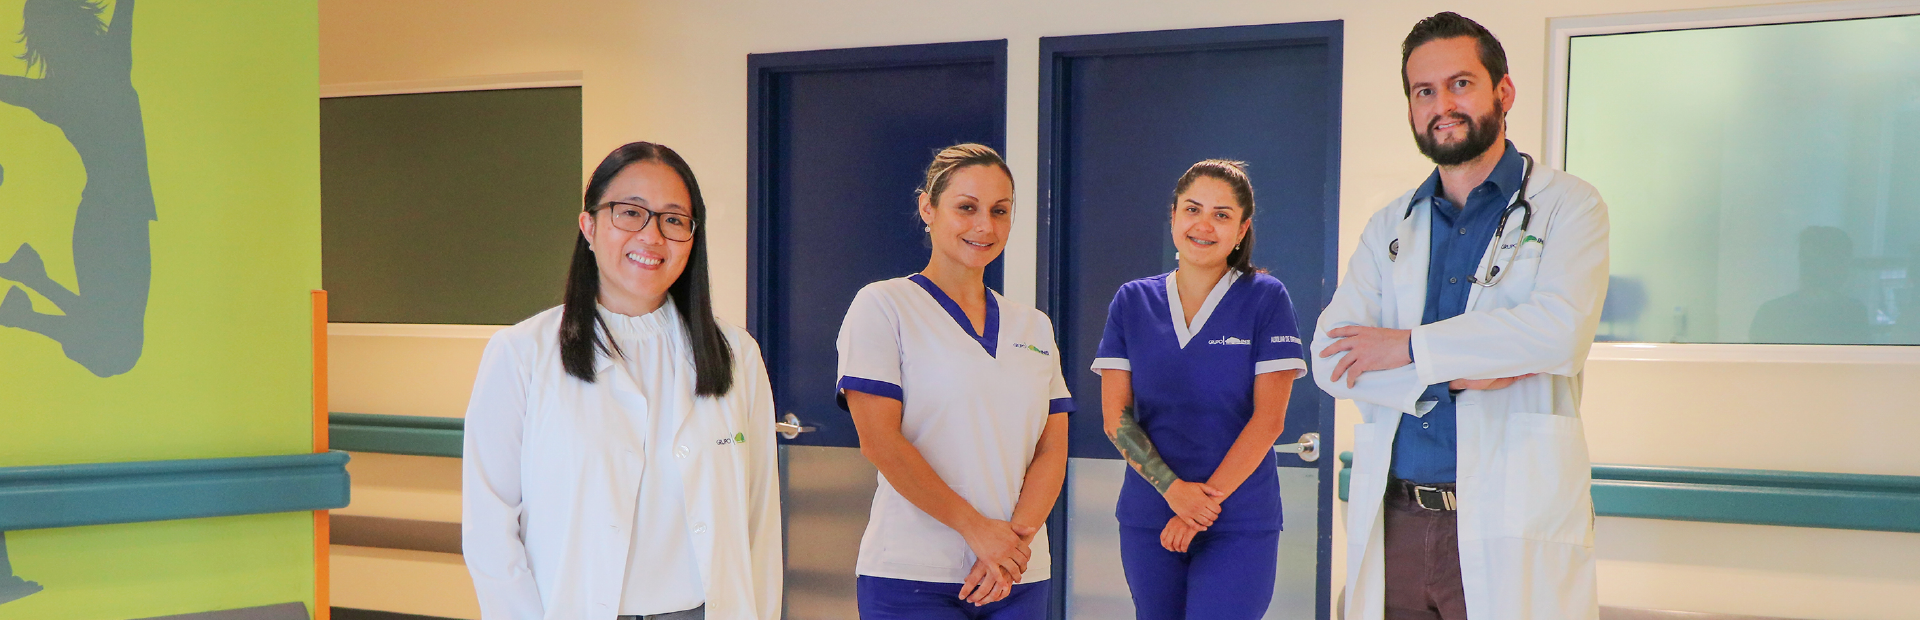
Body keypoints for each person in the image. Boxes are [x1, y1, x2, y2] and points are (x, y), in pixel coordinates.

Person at [1310, 13, 1610, 620]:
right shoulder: (1389, 226)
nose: (1441, 104)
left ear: (1504, 91)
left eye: (1460, 84)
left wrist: (1406, 348)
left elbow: (1557, 331)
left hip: (1508, 512)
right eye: (1424, 91)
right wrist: (1453, 369)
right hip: (1397, 516)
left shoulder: (1568, 207)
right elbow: (1328, 358)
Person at [463, 142, 781, 620]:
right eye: (630, 213)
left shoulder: (737, 356)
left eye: (674, 220)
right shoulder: (521, 354)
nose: (652, 236)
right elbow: (490, 530)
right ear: (588, 226)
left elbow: (759, 520)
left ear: (692, 238)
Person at [836, 143, 1072, 620]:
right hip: (912, 575)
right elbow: (880, 441)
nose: (984, 225)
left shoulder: (1034, 326)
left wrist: (1012, 545)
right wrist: (977, 531)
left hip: (1017, 575)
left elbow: (1051, 448)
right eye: (966, 207)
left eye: (999, 211)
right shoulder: (883, 306)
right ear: (928, 207)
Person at [1090, 160, 1304, 620]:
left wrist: (1197, 508)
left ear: (1242, 229)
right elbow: (1116, 418)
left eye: (1222, 215)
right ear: (1173, 216)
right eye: (1192, 209)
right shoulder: (1132, 302)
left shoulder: (1266, 299)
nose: (1204, 225)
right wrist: (1174, 494)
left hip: (1239, 520)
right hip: (1150, 517)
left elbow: (1269, 421)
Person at [0, 0, 155, 377]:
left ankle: (29, 292)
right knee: (116, 344)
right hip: (115, 220)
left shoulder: (57, 91)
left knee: (115, 341)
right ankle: (28, 298)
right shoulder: (110, 62)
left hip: (108, 219)